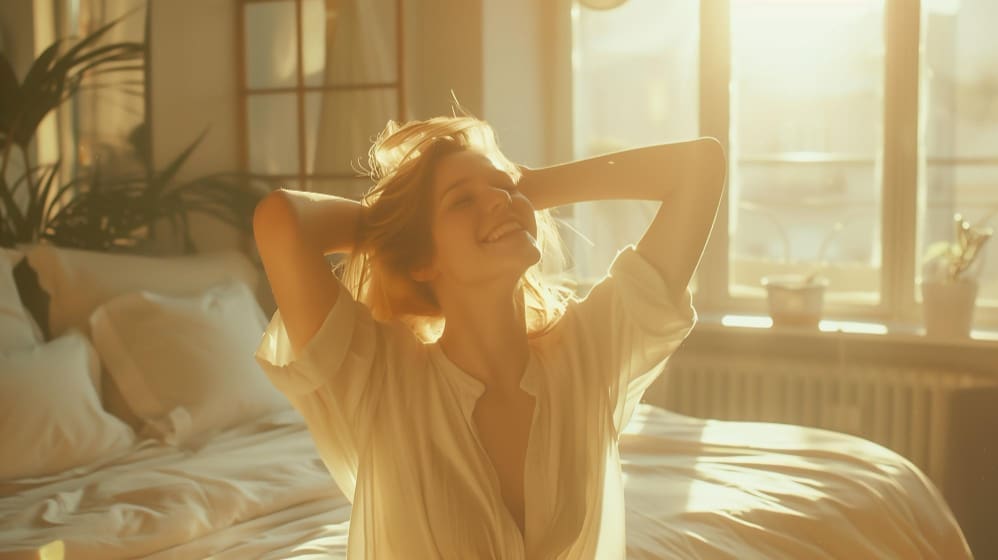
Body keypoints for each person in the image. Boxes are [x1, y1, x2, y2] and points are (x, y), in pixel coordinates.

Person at [252, 110, 726, 559]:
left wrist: (530, 186)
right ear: (422, 260)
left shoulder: (590, 352)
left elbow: (699, 167)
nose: (500, 199)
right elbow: (282, 220)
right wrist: (397, 225)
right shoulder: (377, 376)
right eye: (461, 200)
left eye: (504, 188)